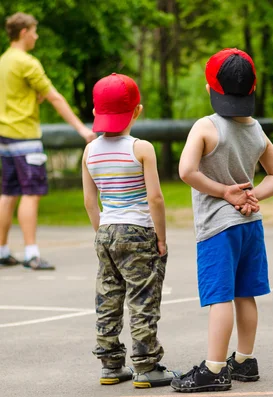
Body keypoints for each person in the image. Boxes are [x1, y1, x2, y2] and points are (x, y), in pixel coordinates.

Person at [171, 48, 273, 393]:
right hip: (251, 224)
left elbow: (186, 171)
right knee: (245, 294)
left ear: (210, 89)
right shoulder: (255, 129)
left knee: (220, 296)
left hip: (217, 228)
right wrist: (253, 196)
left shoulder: (205, 127)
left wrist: (225, 192)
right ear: (252, 90)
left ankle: (214, 369)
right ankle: (244, 360)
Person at [81, 73, 179, 388]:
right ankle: (146, 365)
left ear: (96, 113)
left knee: (108, 297)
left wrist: (102, 233)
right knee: (143, 298)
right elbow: (155, 198)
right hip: (138, 231)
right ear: (137, 110)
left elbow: (89, 202)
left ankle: (110, 365)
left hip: (106, 230)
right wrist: (160, 237)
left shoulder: (89, 152)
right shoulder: (141, 149)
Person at [0, 12, 96, 270]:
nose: (36, 35)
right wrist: (82, 129)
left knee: (8, 194)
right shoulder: (28, 62)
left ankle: (2, 250)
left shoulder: (3, 61)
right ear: (23, 33)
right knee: (31, 194)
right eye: (34, 31)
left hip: (5, 137)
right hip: (26, 137)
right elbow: (55, 97)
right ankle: (32, 254)